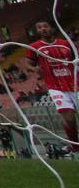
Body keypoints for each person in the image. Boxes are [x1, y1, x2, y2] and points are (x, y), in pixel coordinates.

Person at [27, 19, 79, 154]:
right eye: (39, 28)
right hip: (55, 87)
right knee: (70, 118)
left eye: (45, 26)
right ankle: (76, 147)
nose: (43, 29)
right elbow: (28, 64)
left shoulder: (66, 44)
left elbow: (76, 60)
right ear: (37, 31)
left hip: (74, 85)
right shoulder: (35, 46)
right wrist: (35, 69)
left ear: (51, 28)